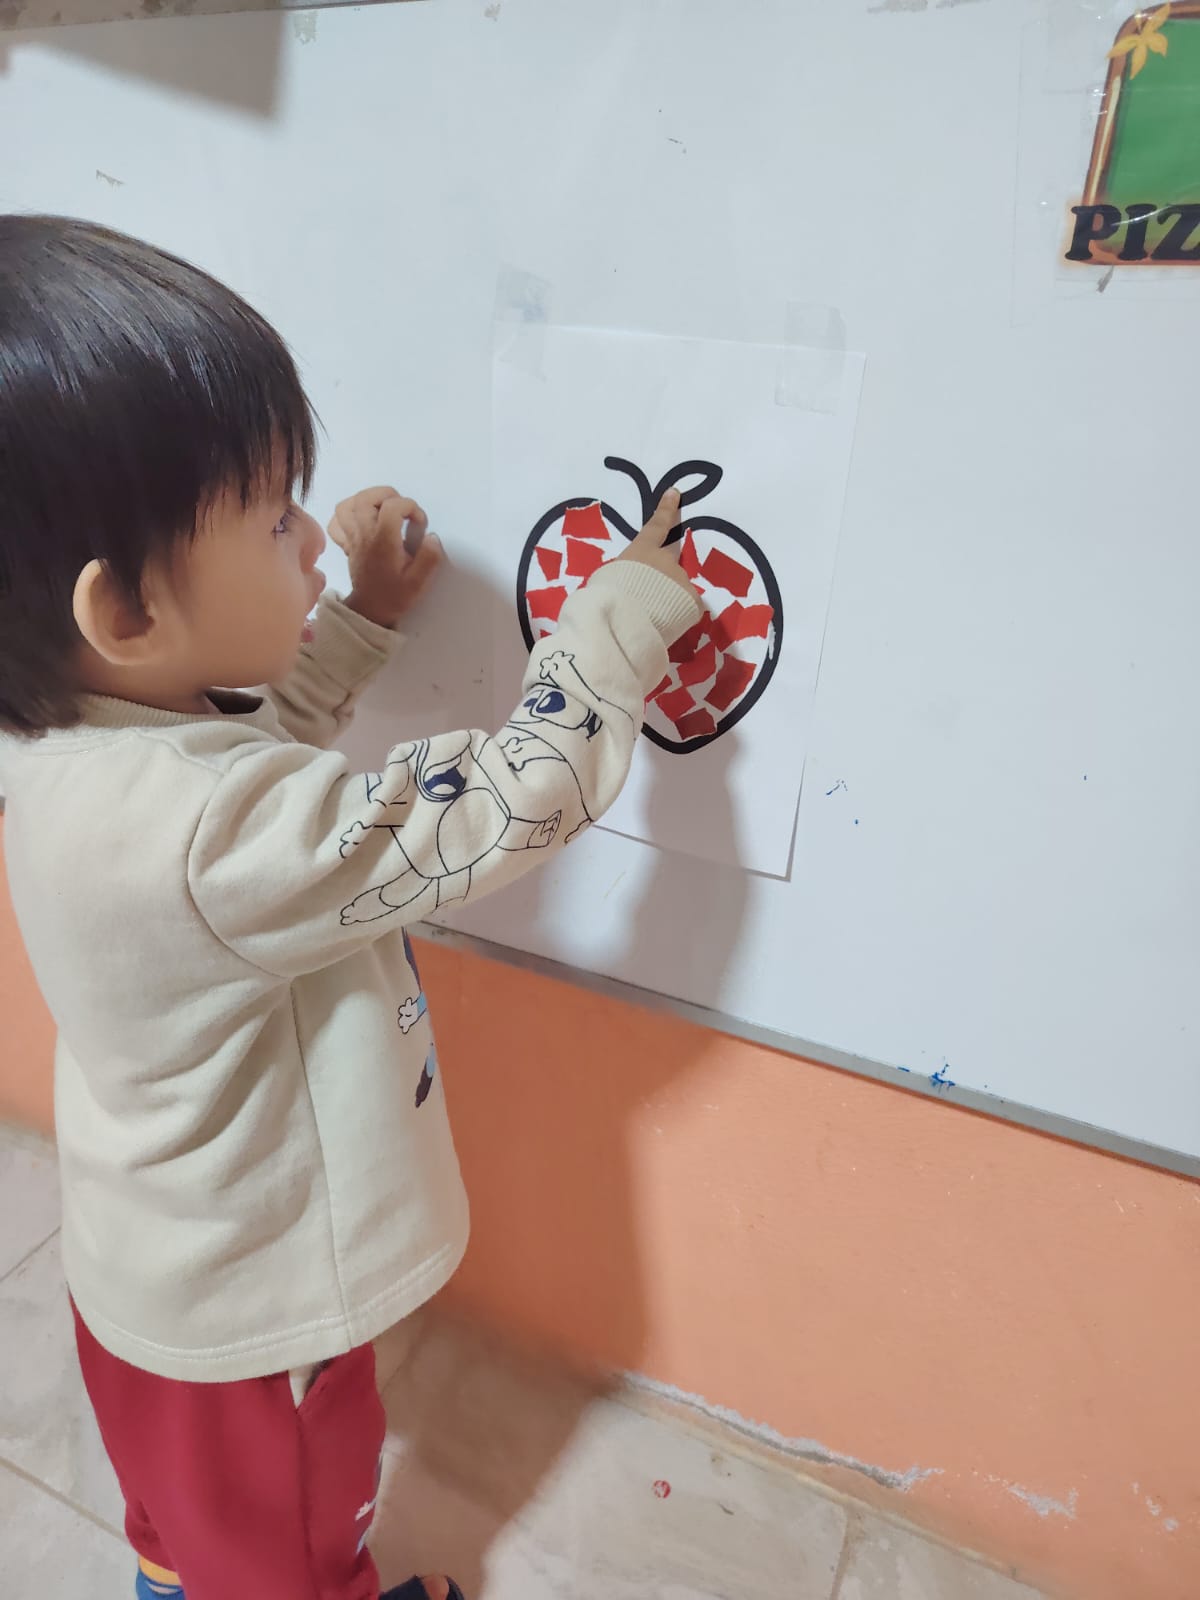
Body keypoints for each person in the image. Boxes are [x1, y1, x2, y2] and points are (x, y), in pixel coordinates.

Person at [0, 215, 701, 1600]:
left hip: (150, 1295)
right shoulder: (208, 835)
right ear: (125, 614)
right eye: (275, 517)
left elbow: (248, 762)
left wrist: (358, 622)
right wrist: (616, 616)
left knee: (189, 1525)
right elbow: (509, 801)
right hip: (262, 1330)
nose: (314, 535)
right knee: (297, 1551)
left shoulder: (77, 754)